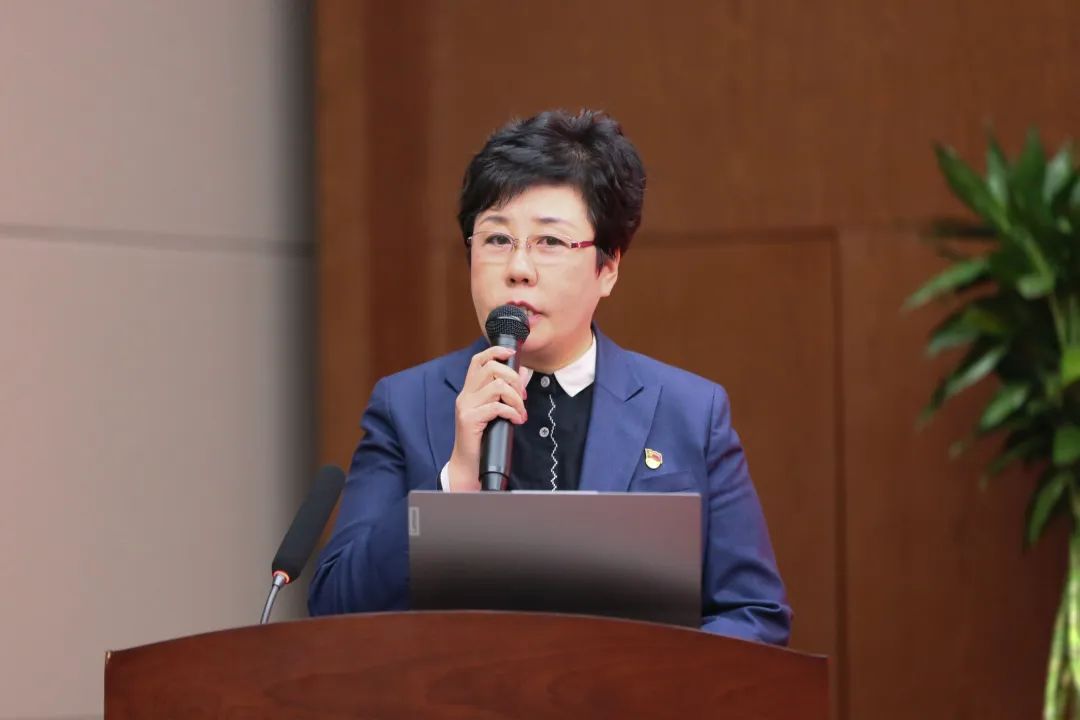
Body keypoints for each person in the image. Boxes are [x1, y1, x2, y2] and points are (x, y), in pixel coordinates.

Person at [308, 109, 792, 645]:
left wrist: (652, 678)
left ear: (608, 268)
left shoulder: (690, 413)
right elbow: (334, 606)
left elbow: (754, 612)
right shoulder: (406, 404)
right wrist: (452, 485)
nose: (518, 268)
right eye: (496, 239)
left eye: (550, 242)